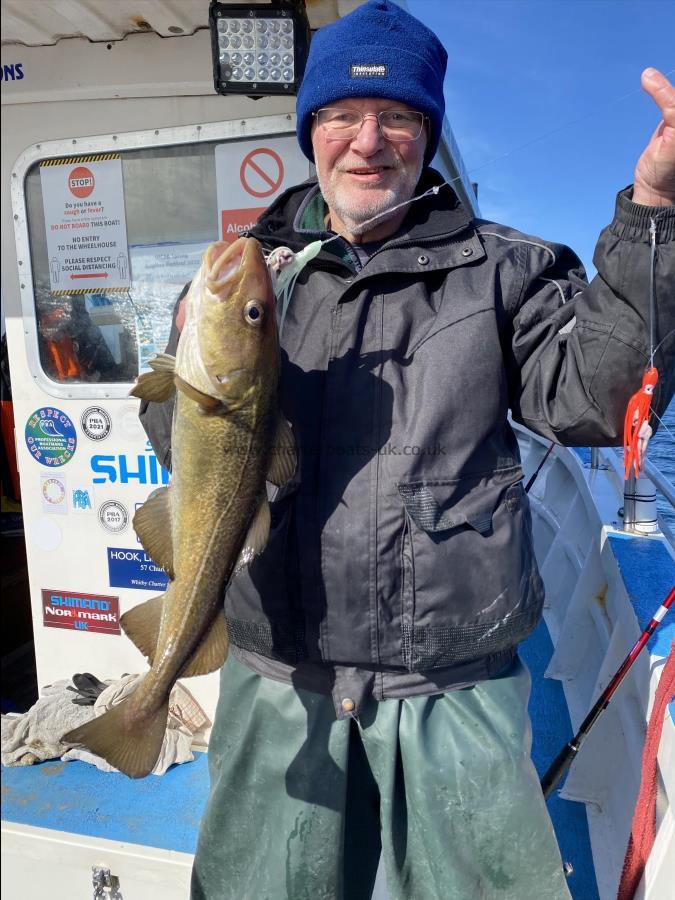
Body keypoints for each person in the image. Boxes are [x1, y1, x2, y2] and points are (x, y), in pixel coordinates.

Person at [139, 2, 675, 897]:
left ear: (425, 134)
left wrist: (654, 212)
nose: (368, 140)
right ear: (310, 130)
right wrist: (187, 358)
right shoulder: (256, 277)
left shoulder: (510, 268)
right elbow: (180, 438)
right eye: (342, 116)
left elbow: (594, 401)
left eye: (398, 117)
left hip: (453, 680)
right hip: (279, 672)